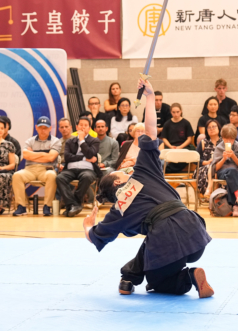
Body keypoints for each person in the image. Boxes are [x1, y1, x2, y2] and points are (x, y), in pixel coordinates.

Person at [84, 78, 213, 299]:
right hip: (196, 232)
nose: (125, 169)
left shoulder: (119, 210)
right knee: (153, 238)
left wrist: (87, 227)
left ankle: (189, 276)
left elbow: (96, 237)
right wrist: (150, 97)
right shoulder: (145, 170)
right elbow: (151, 131)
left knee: (156, 282)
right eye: (120, 171)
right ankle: (128, 277)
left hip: (168, 241)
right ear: (116, 182)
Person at [12, 116, 62, 217]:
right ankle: (21, 207)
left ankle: (47, 206)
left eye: (45, 127)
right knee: (17, 175)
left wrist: (33, 154)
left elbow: (51, 158)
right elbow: (26, 155)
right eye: (41, 127)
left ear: (49, 128)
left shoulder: (55, 141)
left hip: (46, 169)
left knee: (52, 175)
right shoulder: (30, 141)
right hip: (30, 169)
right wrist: (45, 155)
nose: (43, 130)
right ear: (36, 127)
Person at [56, 117, 102, 217]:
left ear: (89, 128)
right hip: (71, 169)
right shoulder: (70, 141)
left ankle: (73, 204)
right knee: (60, 178)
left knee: (86, 177)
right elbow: (67, 157)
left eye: (85, 126)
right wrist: (84, 158)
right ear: (77, 127)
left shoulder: (95, 141)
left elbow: (90, 154)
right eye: (81, 125)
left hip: (87, 169)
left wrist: (81, 141)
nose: (83, 127)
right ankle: (74, 205)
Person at [211, 124, 238, 217]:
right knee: (230, 173)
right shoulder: (219, 147)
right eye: (226, 139)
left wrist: (233, 156)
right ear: (222, 137)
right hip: (222, 172)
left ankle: (235, 203)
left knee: (232, 174)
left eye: (231, 139)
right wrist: (224, 159)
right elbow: (216, 168)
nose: (229, 141)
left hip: (237, 172)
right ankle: (237, 203)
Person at [161, 103, 196, 173]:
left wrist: (180, 147)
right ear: (171, 112)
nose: (176, 114)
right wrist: (170, 146)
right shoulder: (167, 124)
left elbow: (189, 139)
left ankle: (168, 169)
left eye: (177, 112)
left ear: (181, 111)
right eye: (173, 112)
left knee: (192, 153)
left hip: (184, 147)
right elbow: (164, 138)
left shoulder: (186, 123)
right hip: (171, 147)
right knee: (162, 156)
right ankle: (163, 169)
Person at [194, 119, 222, 197]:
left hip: (221, 166)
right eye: (209, 127)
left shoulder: (224, 142)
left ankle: (213, 195)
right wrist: (206, 162)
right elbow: (195, 159)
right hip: (205, 167)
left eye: (213, 126)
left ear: (219, 128)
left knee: (217, 170)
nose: (211, 129)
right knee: (212, 168)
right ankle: (214, 196)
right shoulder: (203, 142)